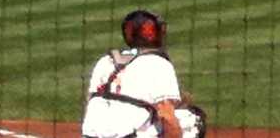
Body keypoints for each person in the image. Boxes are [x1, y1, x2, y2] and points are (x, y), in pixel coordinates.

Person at [80, 10, 206, 138]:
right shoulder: (159, 63)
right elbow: (167, 116)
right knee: (190, 119)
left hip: (90, 135)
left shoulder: (106, 60)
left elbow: (90, 104)